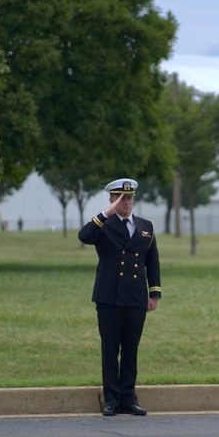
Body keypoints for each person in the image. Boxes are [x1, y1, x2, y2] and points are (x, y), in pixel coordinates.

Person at [78, 178, 161, 416]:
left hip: (135, 297)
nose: (127, 202)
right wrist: (107, 213)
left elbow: (152, 261)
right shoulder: (103, 224)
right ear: (112, 200)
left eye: (130, 197)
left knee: (131, 350)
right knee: (110, 349)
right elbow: (84, 236)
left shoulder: (146, 226)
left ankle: (129, 398)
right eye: (122, 198)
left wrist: (154, 293)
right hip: (109, 298)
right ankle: (111, 399)